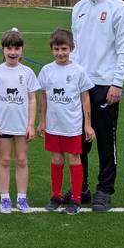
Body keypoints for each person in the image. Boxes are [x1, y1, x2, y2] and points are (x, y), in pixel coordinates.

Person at [70, 0, 124, 212]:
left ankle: (105, 190)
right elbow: (75, 48)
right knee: (79, 142)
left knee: (106, 141)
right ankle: (82, 187)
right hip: (80, 86)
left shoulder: (119, 8)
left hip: (105, 85)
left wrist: (117, 83)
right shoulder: (78, 8)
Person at [38, 29, 95, 215]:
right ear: (51, 49)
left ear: (71, 48)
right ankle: (56, 196)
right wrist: (42, 121)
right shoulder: (46, 70)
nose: (60, 53)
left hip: (72, 125)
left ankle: (76, 199)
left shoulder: (78, 71)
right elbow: (43, 97)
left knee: (73, 159)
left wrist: (87, 124)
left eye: (64, 48)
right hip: (53, 125)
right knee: (56, 158)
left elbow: (85, 98)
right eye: (56, 49)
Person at [0, 29, 40, 214]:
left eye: (16, 48)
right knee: (5, 160)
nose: (12, 52)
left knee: (22, 160)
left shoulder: (28, 72)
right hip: (3, 125)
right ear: (2, 49)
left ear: (22, 50)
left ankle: (22, 198)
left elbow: (32, 99)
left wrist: (31, 124)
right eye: (9, 48)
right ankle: (5, 197)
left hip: (22, 125)